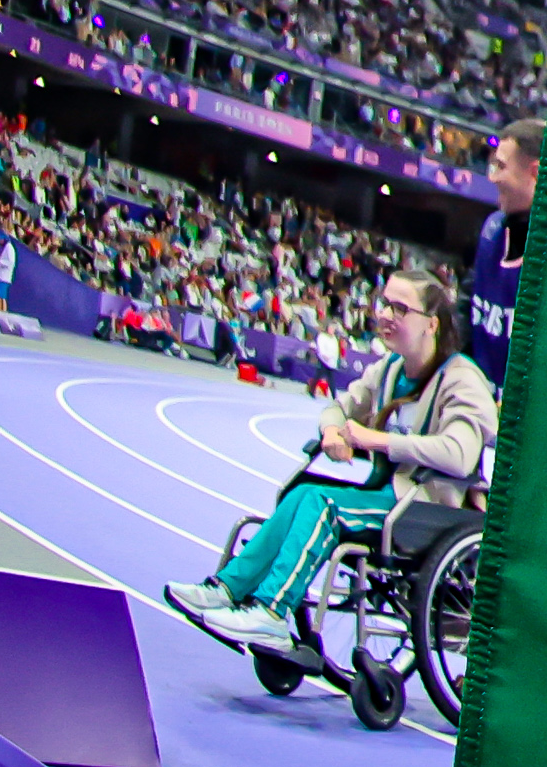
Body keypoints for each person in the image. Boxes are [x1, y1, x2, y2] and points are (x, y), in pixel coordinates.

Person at [164, 271, 496, 654]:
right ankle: (226, 589)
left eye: (400, 309)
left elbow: (458, 453)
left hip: (426, 510)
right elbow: (339, 408)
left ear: (431, 324)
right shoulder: (388, 370)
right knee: (303, 492)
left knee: (322, 506)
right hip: (388, 498)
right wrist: (334, 433)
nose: (386, 314)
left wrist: (379, 440)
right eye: (384, 303)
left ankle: (271, 614)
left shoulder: (461, 379)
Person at [465, 108, 538, 393]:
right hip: (477, 408)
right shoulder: (492, 228)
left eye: (501, 167)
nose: (493, 178)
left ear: (535, 172)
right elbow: (466, 307)